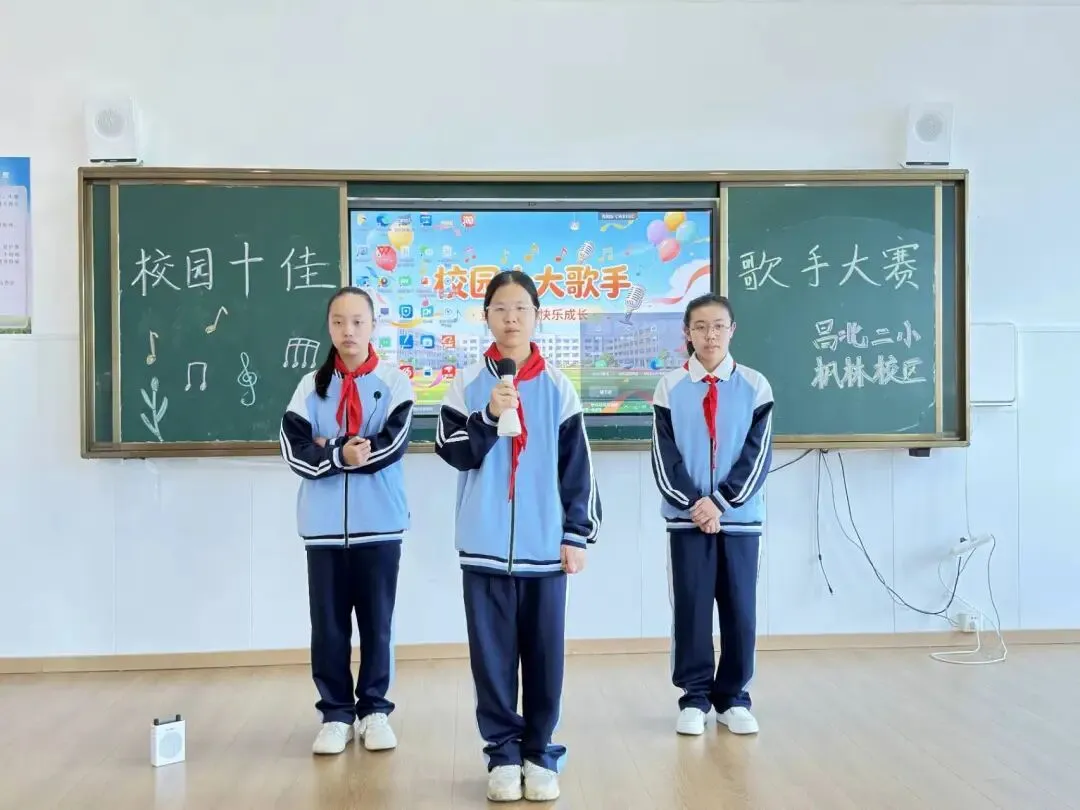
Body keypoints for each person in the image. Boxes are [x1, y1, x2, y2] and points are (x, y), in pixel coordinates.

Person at [434, 270, 602, 803]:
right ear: (486, 316)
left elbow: (578, 471)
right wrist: (489, 414)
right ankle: (503, 754)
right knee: (491, 660)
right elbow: (453, 451)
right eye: (501, 309)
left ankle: (539, 752)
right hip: (484, 548)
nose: (511, 319)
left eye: (521, 309)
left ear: (536, 316)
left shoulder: (557, 386)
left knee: (545, 658)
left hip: (545, 549)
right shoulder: (466, 383)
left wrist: (575, 535)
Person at [279, 286, 414, 756]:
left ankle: (374, 710)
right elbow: (294, 450)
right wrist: (340, 453)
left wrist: (328, 445)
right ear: (329, 327)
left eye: (358, 321)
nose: (348, 331)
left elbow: (391, 445)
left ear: (373, 325)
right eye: (338, 322)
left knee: (377, 624)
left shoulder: (395, 382)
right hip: (322, 530)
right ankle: (336, 714)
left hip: (380, 524)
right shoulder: (309, 387)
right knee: (329, 628)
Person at [650, 292, 773, 738]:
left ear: (732, 330)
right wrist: (695, 506)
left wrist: (720, 502)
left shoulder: (756, 386)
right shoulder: (669, 387)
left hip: (740, 520)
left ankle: (734, 698)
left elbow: (757, 456)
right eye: (700, 327)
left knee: (740, 611)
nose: (710, 335)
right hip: (687, 521)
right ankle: (695, 698)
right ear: (687, 333)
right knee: (692, 608)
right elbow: (665, 457)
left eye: (718, 326)